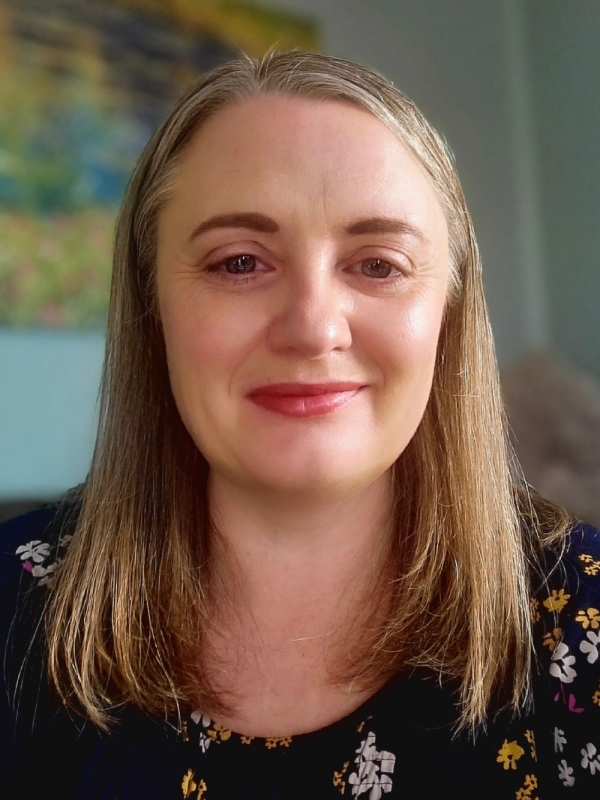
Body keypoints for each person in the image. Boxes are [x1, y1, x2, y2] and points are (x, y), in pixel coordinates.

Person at [1, 50, 599, 800]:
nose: (314, 328)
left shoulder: (583, 616)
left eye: (378, 265)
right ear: (153, 309)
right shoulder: (14, 612)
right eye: (239, 263)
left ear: (448, 315)